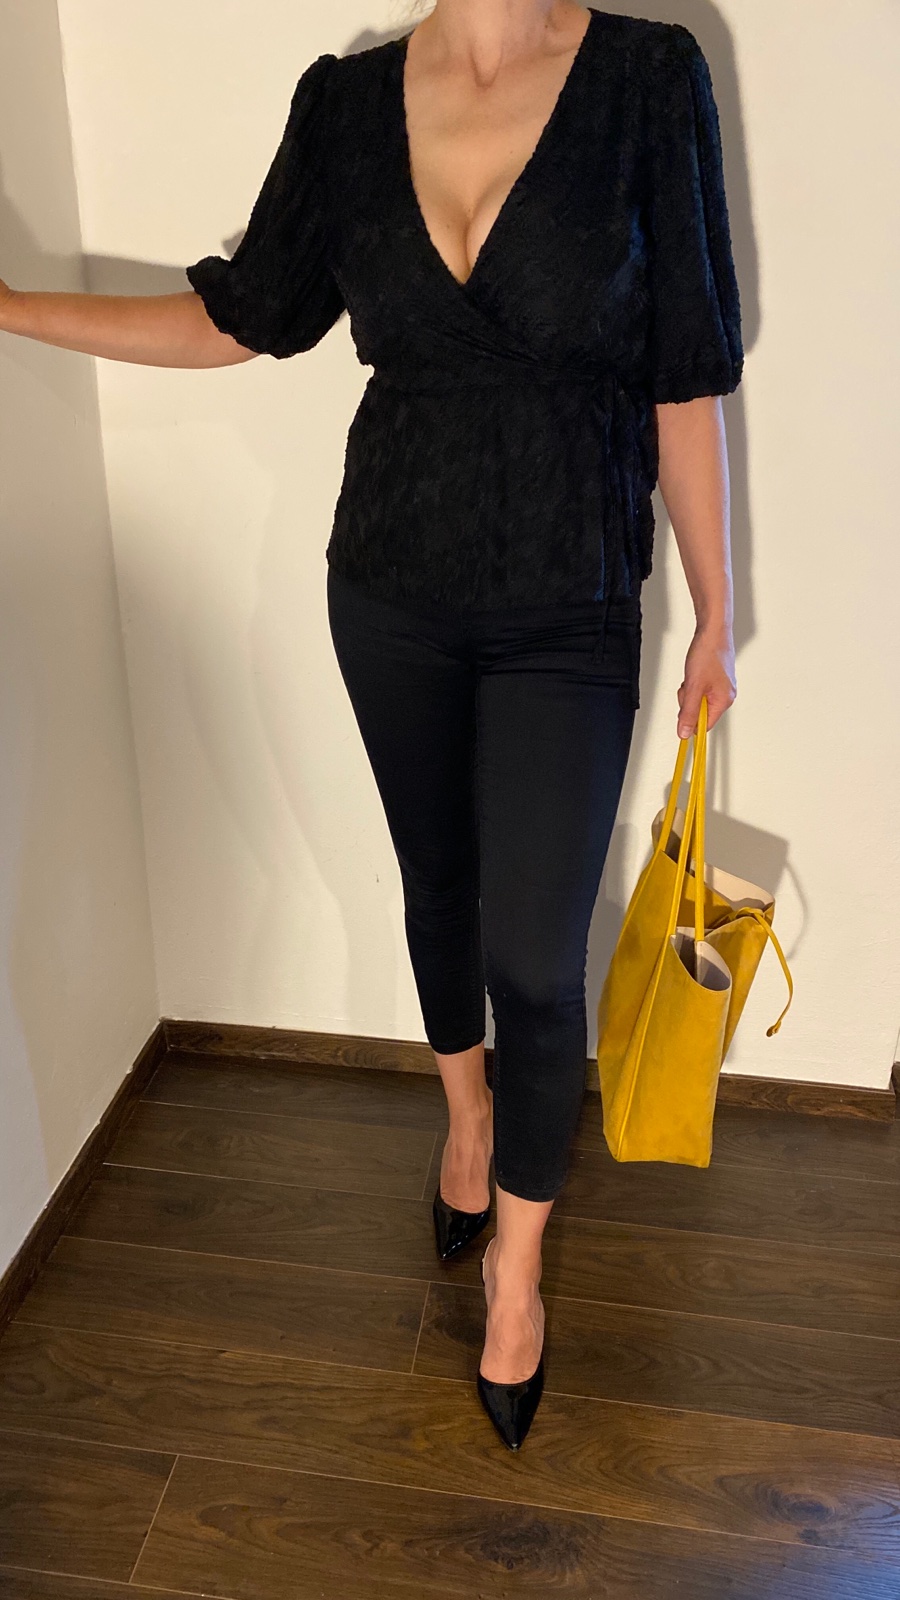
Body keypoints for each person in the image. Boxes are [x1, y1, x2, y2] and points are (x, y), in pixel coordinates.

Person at [0, 0, 742, 1450]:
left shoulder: (648, 78)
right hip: (390, 586)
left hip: (570, 599)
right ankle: (465, 1121)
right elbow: (242, 320)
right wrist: (13, 307)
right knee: (437, 886)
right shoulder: (344, 105)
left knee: (537, 961)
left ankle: (517, 1274)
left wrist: (718, 609)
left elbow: (687, 371)